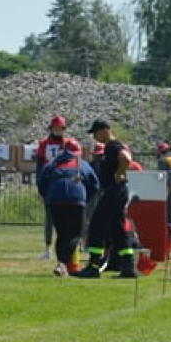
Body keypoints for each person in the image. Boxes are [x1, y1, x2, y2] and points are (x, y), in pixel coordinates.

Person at [80, 119, 136, 279]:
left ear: (105, 130)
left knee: (97, 225)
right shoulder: (109, 148)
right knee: (117, 229)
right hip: (117, 191)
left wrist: (119, 173)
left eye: (96, 133)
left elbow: (126, 159)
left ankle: (94, 265)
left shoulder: (113, 146)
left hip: (114, 190)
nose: (95, 137)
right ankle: (128, 265)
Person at [37, 140, 99, 277]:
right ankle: (63, 263)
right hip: (75, 199)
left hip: (55, 201)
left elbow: (41, 181)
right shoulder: (82, 164)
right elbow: (94, 184)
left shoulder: (52, 164)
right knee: (77, 233)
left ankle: (61, 264)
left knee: (62, 234)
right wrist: (85, 198)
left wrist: (48, 198)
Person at [36, 115, 73, 261]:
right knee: (49, 218)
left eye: (60, 129)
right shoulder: (44, 144)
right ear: (51, 129)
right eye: (55, 128)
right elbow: (39, 167)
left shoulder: (68, 144)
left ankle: (66, 247)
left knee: (65, 217)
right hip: (50, 183)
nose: (58, 131)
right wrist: (40, 186)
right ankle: (47, 248)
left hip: (64, 182)